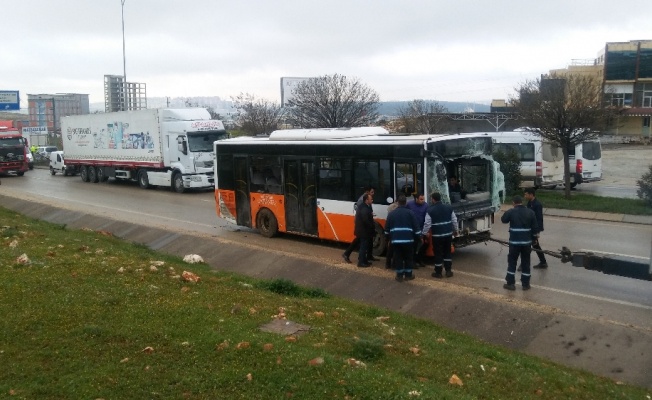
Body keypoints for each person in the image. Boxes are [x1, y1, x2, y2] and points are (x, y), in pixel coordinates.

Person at [500, 195, 538, 291]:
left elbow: (503, 220)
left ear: (513, 203)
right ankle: (525, 284)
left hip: (514, 243)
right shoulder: (530, 212)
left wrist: (508, 211)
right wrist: (534, 239)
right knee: (526, 262)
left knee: (512, 262)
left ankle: (511, 283)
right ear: (522, 202)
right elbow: (535, 228)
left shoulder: (511, 212)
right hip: (526, 243)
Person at [384, 194, 421, 281]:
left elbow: (387, 228)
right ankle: (408, 275)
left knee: (398, 258)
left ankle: (399, 275)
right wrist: (419, 237)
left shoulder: (392, 214)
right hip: (408, 240)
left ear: (398, 203)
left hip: (396, 240)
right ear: (405, 203)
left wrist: (387, 238)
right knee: (408, 258)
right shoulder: (410, 213)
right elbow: (416, 227)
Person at [422, 192, 458, 278]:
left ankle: (438, 272)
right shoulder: (449, 207)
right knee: (447, 252)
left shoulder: (430, 210)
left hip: (437, 236)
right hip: (448, 234)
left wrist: (424, 233)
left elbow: (427, 224)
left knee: (438, 253)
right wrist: (456, 230)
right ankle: (448, 271)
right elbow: (454, 220)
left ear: (433, 199)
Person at [342, 187, 378, 263]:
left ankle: (367, 256)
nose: (373, 194)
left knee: (365, 239)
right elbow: (363, 215)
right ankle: (357, 257)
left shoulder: (367, 200)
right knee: (361, 240)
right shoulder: (363, 201)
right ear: (367, 192)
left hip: (362, 225)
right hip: (361, 225)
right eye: (372, 192)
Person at [524, 187, 548, 269]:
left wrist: (537, 231)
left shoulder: (537, 204)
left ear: (531, 195)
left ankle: (523, 265)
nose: (525, 196)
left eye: (526, 194)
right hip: (530, 228)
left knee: (528, 246)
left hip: (534, 229)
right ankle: (543, 262)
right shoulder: (529, 203)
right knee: (535, 246)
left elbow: (539, 218)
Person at [353, 193, 375, 267]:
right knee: (363, 246)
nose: (372, 200)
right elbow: (366, 220)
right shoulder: (364, 208)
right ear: (366, 200)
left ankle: (364, 260)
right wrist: (371, 226)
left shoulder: (365, 206)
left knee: (364, 246)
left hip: (363, 230)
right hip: (363, 231)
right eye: (370, 199)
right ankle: (361, 262)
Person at [406, 193, 428, 267]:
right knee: (413, 246)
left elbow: (427, 218)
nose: (423, 201)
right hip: (412, 230)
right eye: (421, 199)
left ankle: (420, 260)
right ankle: (413, 261)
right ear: (416, 199)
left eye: (423, 199)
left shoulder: (426, 205)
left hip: (422, 229)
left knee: (422, 246)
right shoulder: (409, 205)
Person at [384, 198, 400, 269]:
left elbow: (387, 223)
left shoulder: (390, 208)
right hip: (396, 231)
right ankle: (394, 264)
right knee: (396, 249)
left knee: (390, 248)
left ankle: (388, 264)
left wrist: (386, 234)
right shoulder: (397, 209)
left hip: (391, 231)